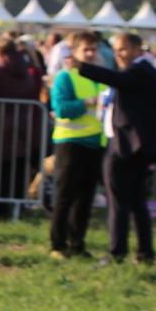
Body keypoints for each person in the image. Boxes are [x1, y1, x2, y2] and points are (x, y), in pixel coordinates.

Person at [75, 32, 156, 265]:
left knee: (119, 202)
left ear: (137, 49)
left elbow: (115, 79)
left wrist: (81, 66)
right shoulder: (145, 71)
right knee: (136, 202)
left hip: (126, 146)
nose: (118, 55)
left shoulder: (140, 71)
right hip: (133, 145)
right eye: (115, 51)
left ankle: (118, 252)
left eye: (122, 49)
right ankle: (144, 253)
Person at [48, 31, 106, 259]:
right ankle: (57, 245)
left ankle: (77, 243)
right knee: (65, 196)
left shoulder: (99, 77)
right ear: (75, 51)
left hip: (94, 143)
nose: (90, 54)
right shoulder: (65, 77)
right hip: (70, 143)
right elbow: (62, 109)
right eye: (86, 49)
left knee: (85, 199)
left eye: (94, 49)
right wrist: (88, 102)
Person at [0, 35, 44, 213]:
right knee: (17, 167)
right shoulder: (25, 70)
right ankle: (17, 207)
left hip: (0, 123)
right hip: (22, 121)